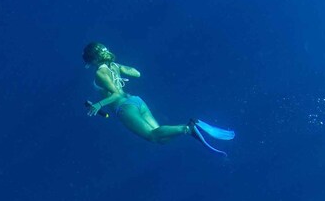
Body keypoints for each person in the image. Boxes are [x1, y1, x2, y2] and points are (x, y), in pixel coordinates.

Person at [82, 42, 234, 155]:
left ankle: (187, 128)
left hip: (124, 108)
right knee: (162, 139)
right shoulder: (114, 65)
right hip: (136, 101)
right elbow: (137, 73)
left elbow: (117, 94)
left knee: (152, 136)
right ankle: (190, 128)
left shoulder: (100, 73)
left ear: (92, 60)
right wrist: (119, 68)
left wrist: (98, 105)